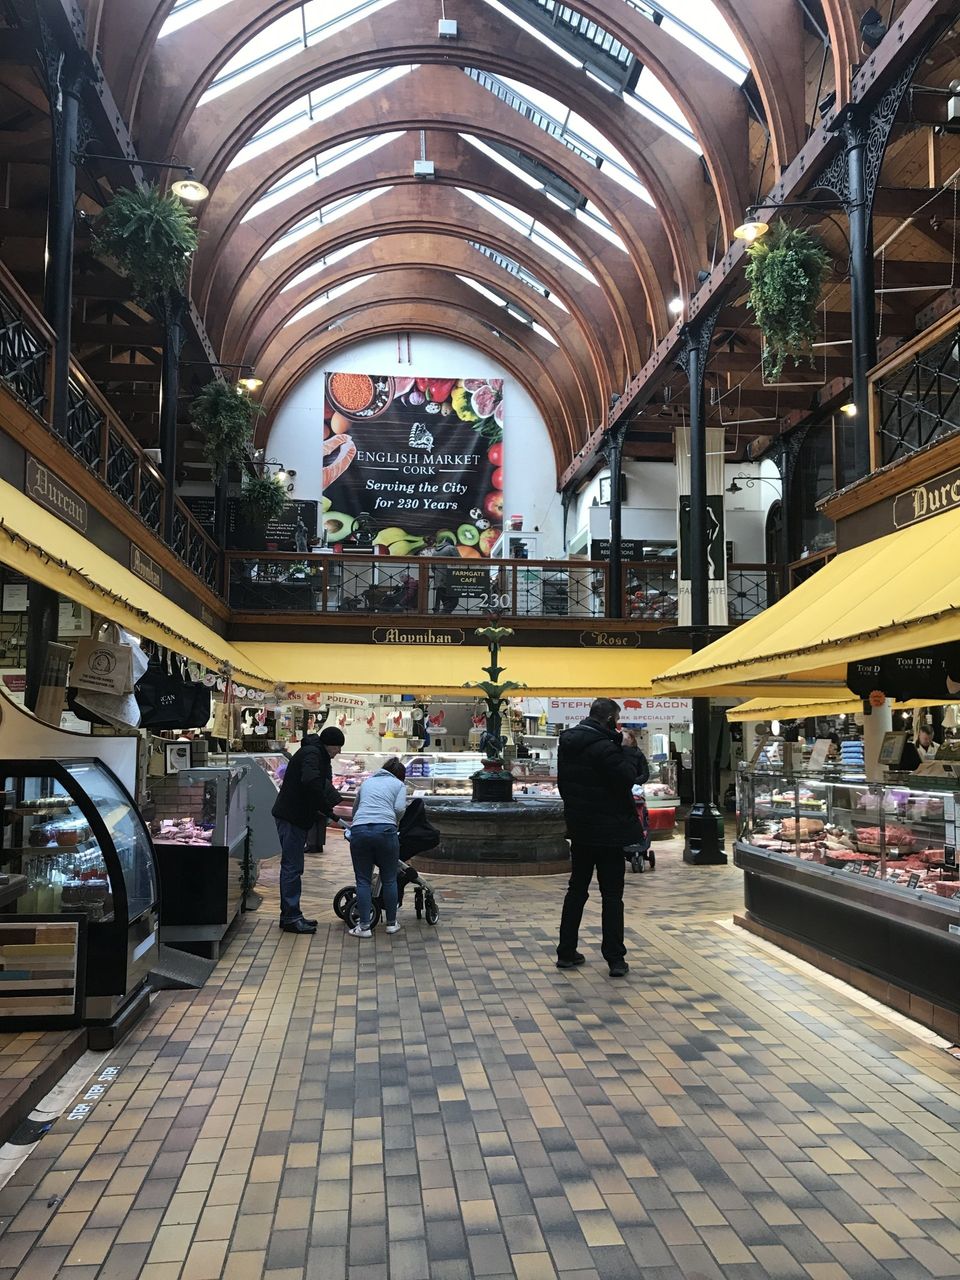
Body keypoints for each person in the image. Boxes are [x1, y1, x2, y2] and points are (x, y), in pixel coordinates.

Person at [556, 697, 641, 977]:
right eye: (616, 720)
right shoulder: (606, 748)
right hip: (609, 832)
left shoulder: (567, 744)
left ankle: (566, 952)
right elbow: (629, 777)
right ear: (609, 720)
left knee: (576, 890)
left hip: (581, 830)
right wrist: (628, 749)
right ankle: (615, 958)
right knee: (612, 896)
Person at [271, 725, 344, 933]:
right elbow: (310, 780)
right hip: (292, 817)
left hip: (294, 817)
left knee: (294, 866)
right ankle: (291, 917)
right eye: (337, 747)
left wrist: (326, 809)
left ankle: (291, 915)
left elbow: (314, 781)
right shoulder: (312, 753)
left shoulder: (313, 752)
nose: (338, 752)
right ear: (329, 745)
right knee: (292, 867)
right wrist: (323, 804)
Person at [347, 757, 408, 939]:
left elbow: (355, 809)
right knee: (389, 879)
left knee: (363, 881)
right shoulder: (399, 785)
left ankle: (364, 926)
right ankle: (391, 924)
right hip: (386, 831)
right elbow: (399, 809)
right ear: (400, 776)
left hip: (359, 831)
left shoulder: (367, 783)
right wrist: (394, 823)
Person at [419, 534, 460, 613]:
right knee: (454, 602)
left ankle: (442, 618)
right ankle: (442, 616)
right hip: (450, 581)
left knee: (445, 603)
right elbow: (461, 563)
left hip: (438, 582)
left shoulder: (435, 551)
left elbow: (433, 568)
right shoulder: (451, 548)